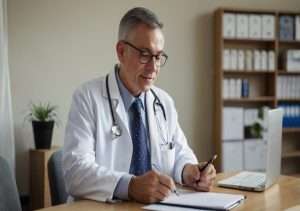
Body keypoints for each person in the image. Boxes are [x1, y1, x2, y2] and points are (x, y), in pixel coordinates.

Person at [63, 7, 216, 204]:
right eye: (145, 54)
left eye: (158, 56)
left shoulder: (164, 102)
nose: (154, 67)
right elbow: (75, 171)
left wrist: (190, 171)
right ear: (121, 51)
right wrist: (130, 186)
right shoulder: (87, 97)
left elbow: (180, 152)